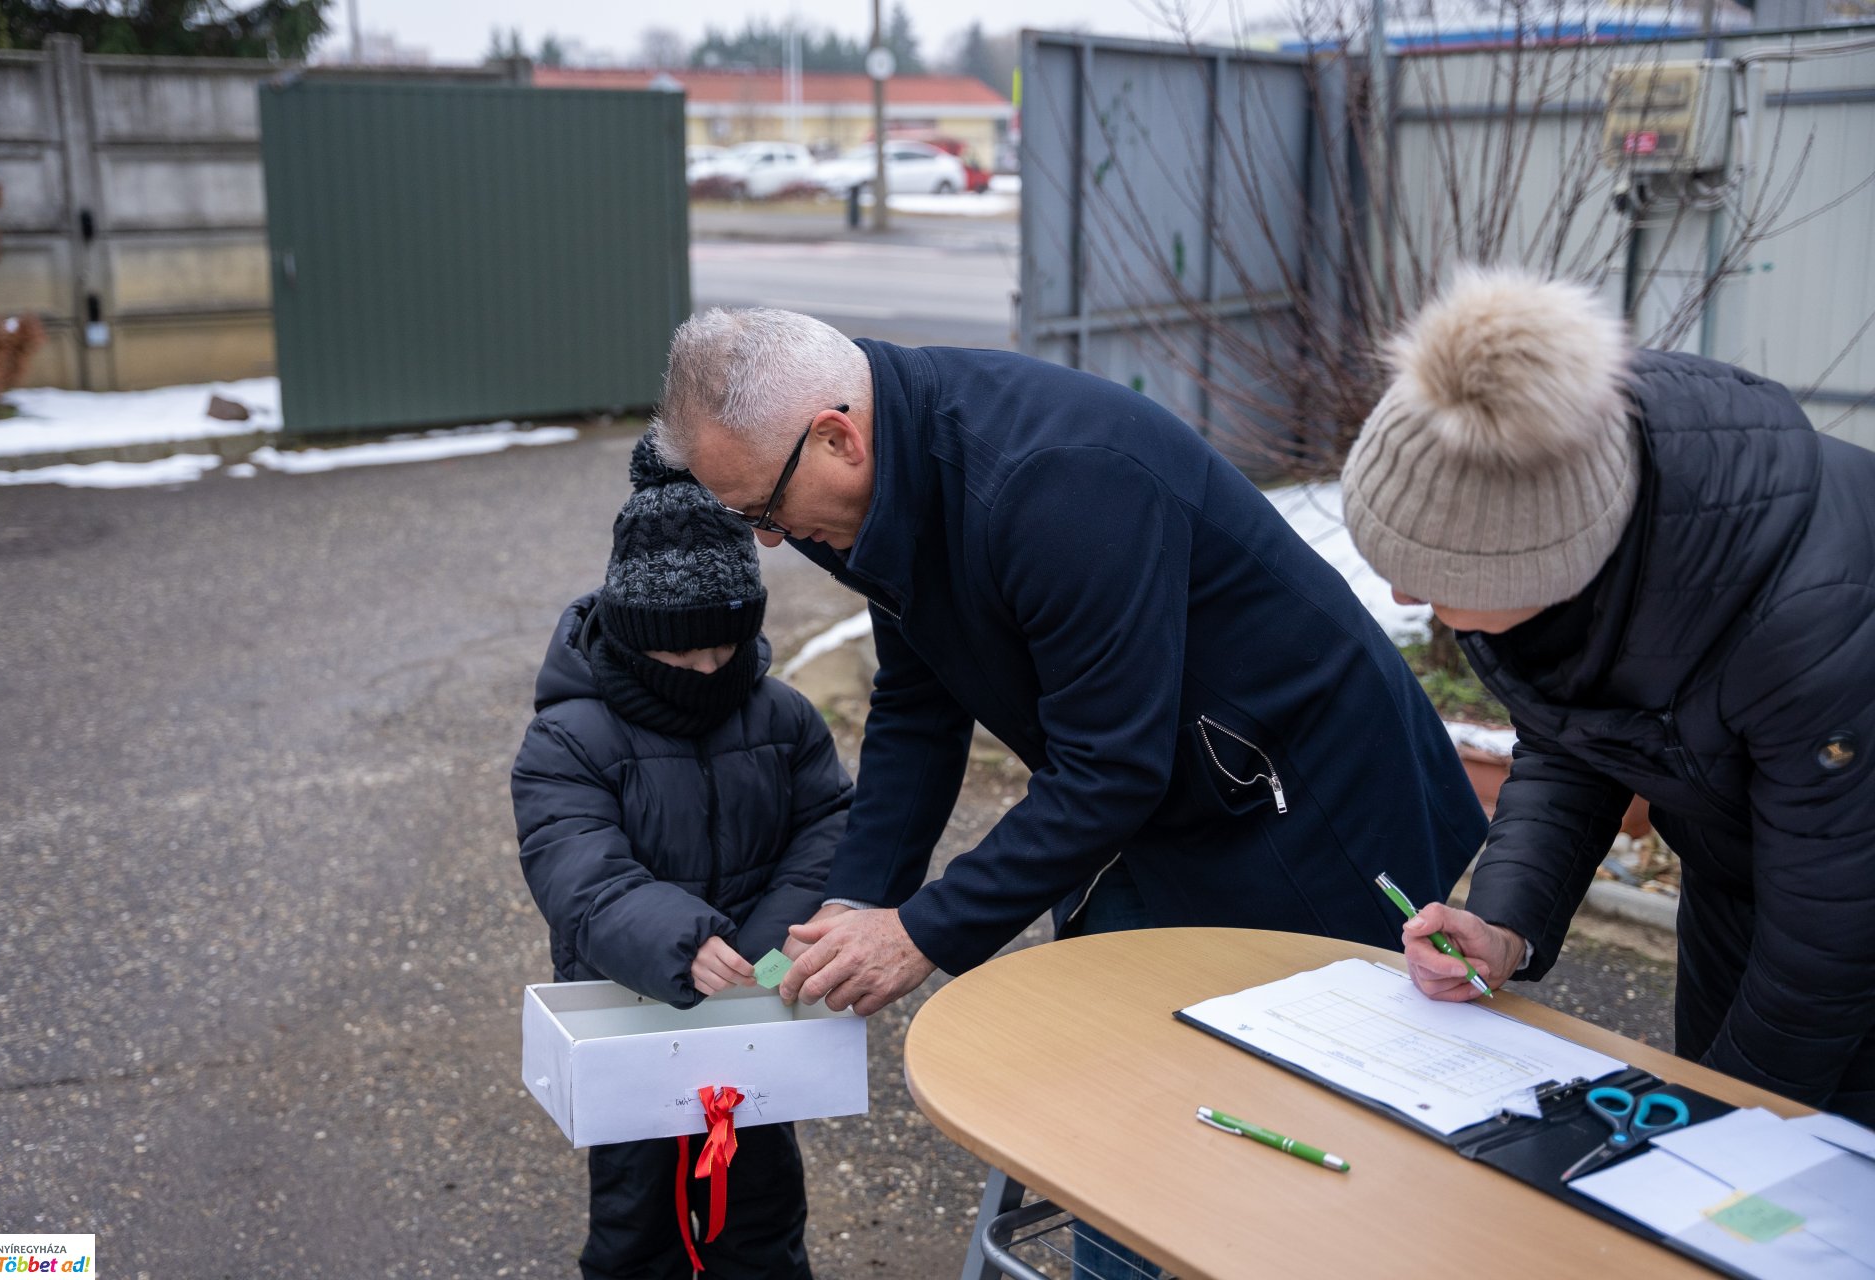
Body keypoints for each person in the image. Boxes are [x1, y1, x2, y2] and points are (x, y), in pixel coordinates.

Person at [651, 306, 1488, 1018]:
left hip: (1301, 791)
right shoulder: (875, 481)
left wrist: (921, 932)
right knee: (1126, 1057)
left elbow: (1109, 767)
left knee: (1312, 1069)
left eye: (764, 510)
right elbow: (918, 699)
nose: (770, 540)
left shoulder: (1055, 485)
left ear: (838, 438)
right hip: (1160, 791)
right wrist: (860, 897)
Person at [1341, 267, 1875, 1123]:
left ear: (1549, 567)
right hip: (1744, 876)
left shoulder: (1815, 623)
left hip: (1844, 908)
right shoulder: (1575, 499)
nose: (1406, 598)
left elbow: (1831, 942)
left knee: (1809, 1165)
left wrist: (1722, 1122)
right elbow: (1575, 735)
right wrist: (1503, 928)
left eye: (1434, 580)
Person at [511, 437, 853, 1279]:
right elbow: (578, 870)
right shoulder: (568, 737)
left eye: (724, 651)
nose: (705, 671)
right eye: (681, 653)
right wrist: (680, 940)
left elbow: (829, 828)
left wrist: (770, 946)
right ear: (634, 635)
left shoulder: (782, 717)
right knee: (639, 1220)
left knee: (761, 1209)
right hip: (628, 1009)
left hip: (754, 1005)